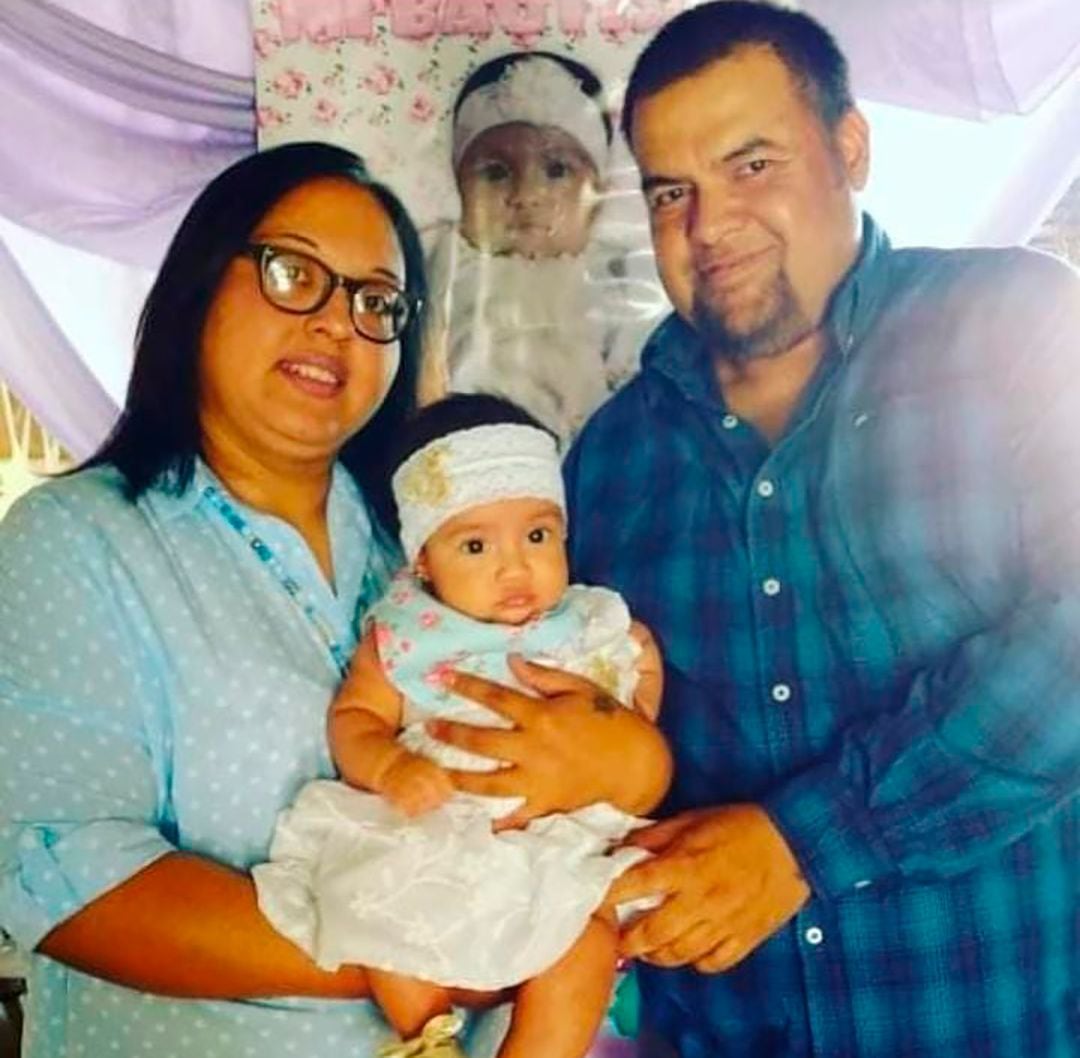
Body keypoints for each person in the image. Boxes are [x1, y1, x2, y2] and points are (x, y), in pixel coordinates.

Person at [0, 143, 669, 1058]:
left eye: (376, 302)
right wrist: (440, 944)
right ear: (201, 285)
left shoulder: (435, 550)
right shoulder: (77, 541)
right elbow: (56, 873)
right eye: (293, 273)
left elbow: (610, 756)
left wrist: (627, 761)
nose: (335, 324)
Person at [561, 3, 1080, 1056]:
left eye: (752, 165)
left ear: (851, 149)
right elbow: (610, 741)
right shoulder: (609, 459)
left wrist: (802, 843)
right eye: (671, 191)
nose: (709, 227)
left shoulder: (1017, 325)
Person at [253, 393, 667, 1058]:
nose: (515, 567)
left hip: (553, 846)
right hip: (437, 830)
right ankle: (429, 1040)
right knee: (369, 908)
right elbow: (356, 717)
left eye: (538, 536)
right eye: (475, 545)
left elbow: (635, 699)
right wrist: (390, 766)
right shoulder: (407, 636)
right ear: (423, 560)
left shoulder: (589, 621)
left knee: (585, 945)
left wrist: (637, 697)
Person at [424, 51, 666, 443]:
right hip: (463, 456)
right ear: (458, 185)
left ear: (598, 193)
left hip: (587, 462)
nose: (528, 195)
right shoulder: (441, 263)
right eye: (495, 172)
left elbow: (645, 389)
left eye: (557, 170)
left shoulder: (620, 275)